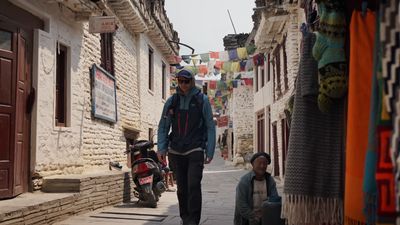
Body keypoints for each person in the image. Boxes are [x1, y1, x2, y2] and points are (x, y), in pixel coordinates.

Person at [157, 68, 216, 225]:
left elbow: (210, 125)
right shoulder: (172, 101)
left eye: (186, 81)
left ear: (192, 81)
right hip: (175, 151)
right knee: (182, 189)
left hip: (195, 149)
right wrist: (161, 148)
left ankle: (193, 221)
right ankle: (185, 219)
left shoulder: (201, 100)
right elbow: (164, 126)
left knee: (193, 185)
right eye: (180, 81)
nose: (183, 84)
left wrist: (209, 150)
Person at [234, 152, 280, 225]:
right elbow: (241, 204)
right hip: (247, 219)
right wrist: (253, 215)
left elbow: (274, 199)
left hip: (265, 216)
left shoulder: (270, 180)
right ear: (253, 165)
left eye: (264, 163)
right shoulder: (244, 181)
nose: (262, 166)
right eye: (259, 163)